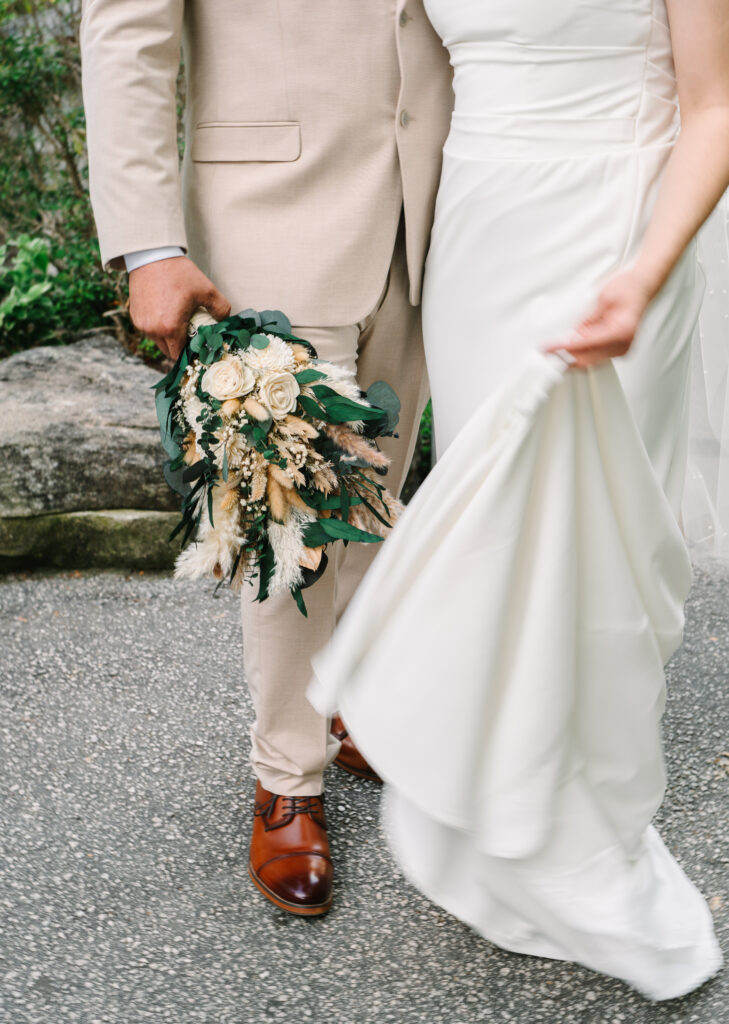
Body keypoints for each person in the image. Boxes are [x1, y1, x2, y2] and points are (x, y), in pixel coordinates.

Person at [309, 0, 726, 1000]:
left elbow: (716, 104)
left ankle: (578, 826)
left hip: (621, 228)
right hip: (480, 229)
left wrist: (645, 273)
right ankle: (504, 791)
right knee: (496, 527)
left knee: (597, 538)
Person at [79, 0, 453, 916]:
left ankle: (354, 704)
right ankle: (288, 772)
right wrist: (149, 246)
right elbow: (126, 30)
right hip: (270, 216)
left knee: (379, 494)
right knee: (285, 510)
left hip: (441, 211)